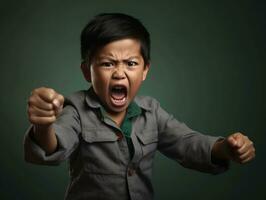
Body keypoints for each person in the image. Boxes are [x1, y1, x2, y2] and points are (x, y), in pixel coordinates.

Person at [24, 13, 255, 200]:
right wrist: (43, 125)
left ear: (145, 70)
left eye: (131, 63)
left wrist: (225, 149)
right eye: (107, 63)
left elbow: (186, 142)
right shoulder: (75, 109)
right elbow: (55, 144)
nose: (119, 73)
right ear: (87, 71)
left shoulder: (151, 111)